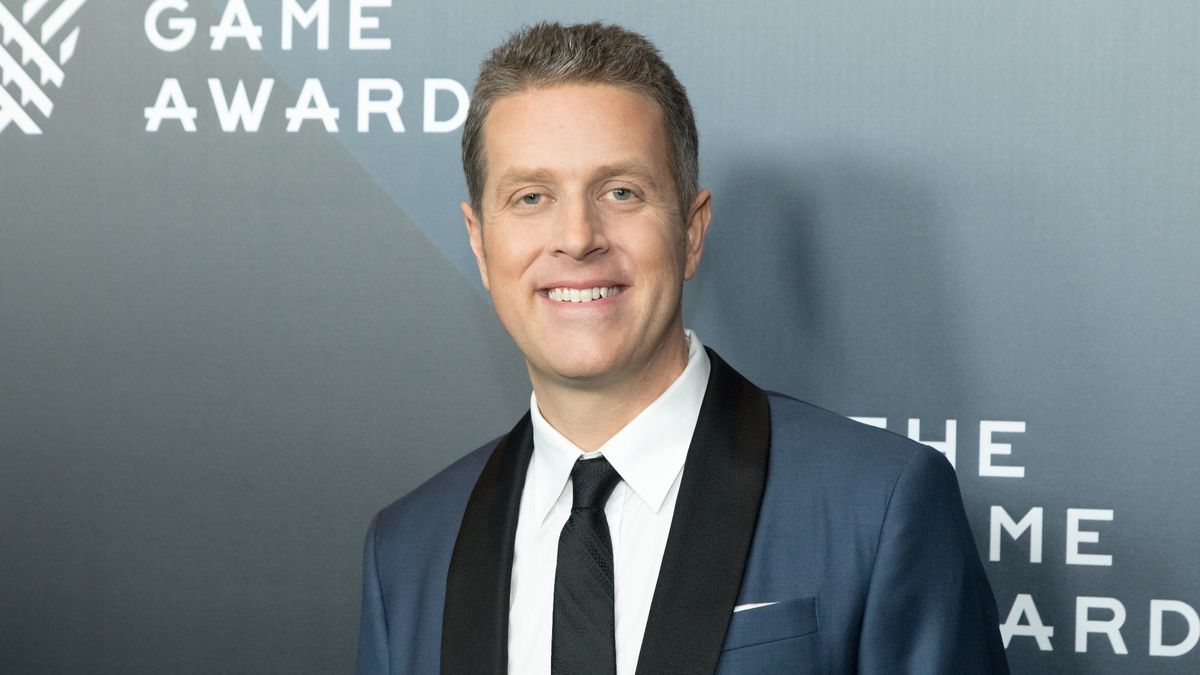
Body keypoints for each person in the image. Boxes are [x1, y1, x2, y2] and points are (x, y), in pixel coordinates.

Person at [356, 21, 1008, 675]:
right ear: (479, 241)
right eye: (531, 197)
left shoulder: (878, 503)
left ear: (691, 232)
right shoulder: (409, 549)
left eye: (621, 192)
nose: (578, 237)